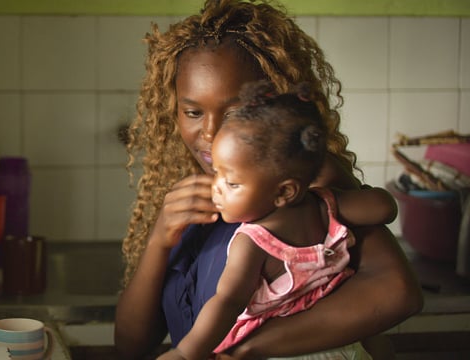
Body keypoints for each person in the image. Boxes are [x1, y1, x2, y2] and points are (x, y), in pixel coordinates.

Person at [115, 1, 423, 359]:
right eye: (193, 112)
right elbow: (131, 346)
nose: (211, 133)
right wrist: (160, 240)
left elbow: (398, 291)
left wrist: (245, 348)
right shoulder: (200, 191)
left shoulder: (303, 185)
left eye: (233, 112)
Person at [157, 81, 396, 360]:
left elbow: (227, 301)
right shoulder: (325, 206)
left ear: (284, 191)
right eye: (218, 173)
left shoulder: (252, 242)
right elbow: (384, 207)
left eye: (231, 182)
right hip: (342, 348)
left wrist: (185, 353)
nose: (216, 187)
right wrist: (343, 190)